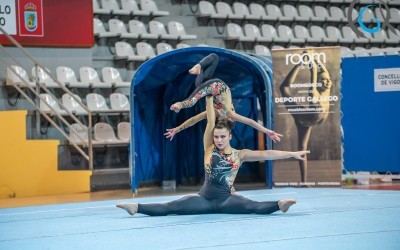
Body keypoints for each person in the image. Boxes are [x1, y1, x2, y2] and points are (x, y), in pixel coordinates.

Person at [116, 95, 309, 216]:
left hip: (227, 199)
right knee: (170, 207)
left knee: (254, 207)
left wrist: (292, 153)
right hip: (204, 200)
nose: (218, 139)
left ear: (230, 136)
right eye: (216, 136)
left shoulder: (239, 154)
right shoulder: (209, 148)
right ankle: (136, 207)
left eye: (222, 136)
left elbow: (267, 153)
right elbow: (209, 120)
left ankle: (280, 205)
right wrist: (208, 94)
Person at [168, 53, 282, 143]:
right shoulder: (229, 114)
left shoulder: (214, 113)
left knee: (214, 57)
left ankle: (199, 66)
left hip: (205, 85)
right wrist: (266, 131)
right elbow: (250, 122)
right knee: (192, 101)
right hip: (217, 87)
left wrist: (178, 129)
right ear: (230, 120)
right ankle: (179, 105)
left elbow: (193, 120)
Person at [279, 50, 333, 183]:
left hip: (312, 119)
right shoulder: (314, 92)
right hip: (303, 118)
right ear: (318, 82)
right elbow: (314, 74)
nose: (326, 82)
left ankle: (304, 182)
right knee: (284, 89)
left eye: (328, 80)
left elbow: (322, 70)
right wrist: (305, 62)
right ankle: (304, 181)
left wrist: (315, 58)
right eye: (323, 80)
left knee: (302, 148)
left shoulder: (327, 89)